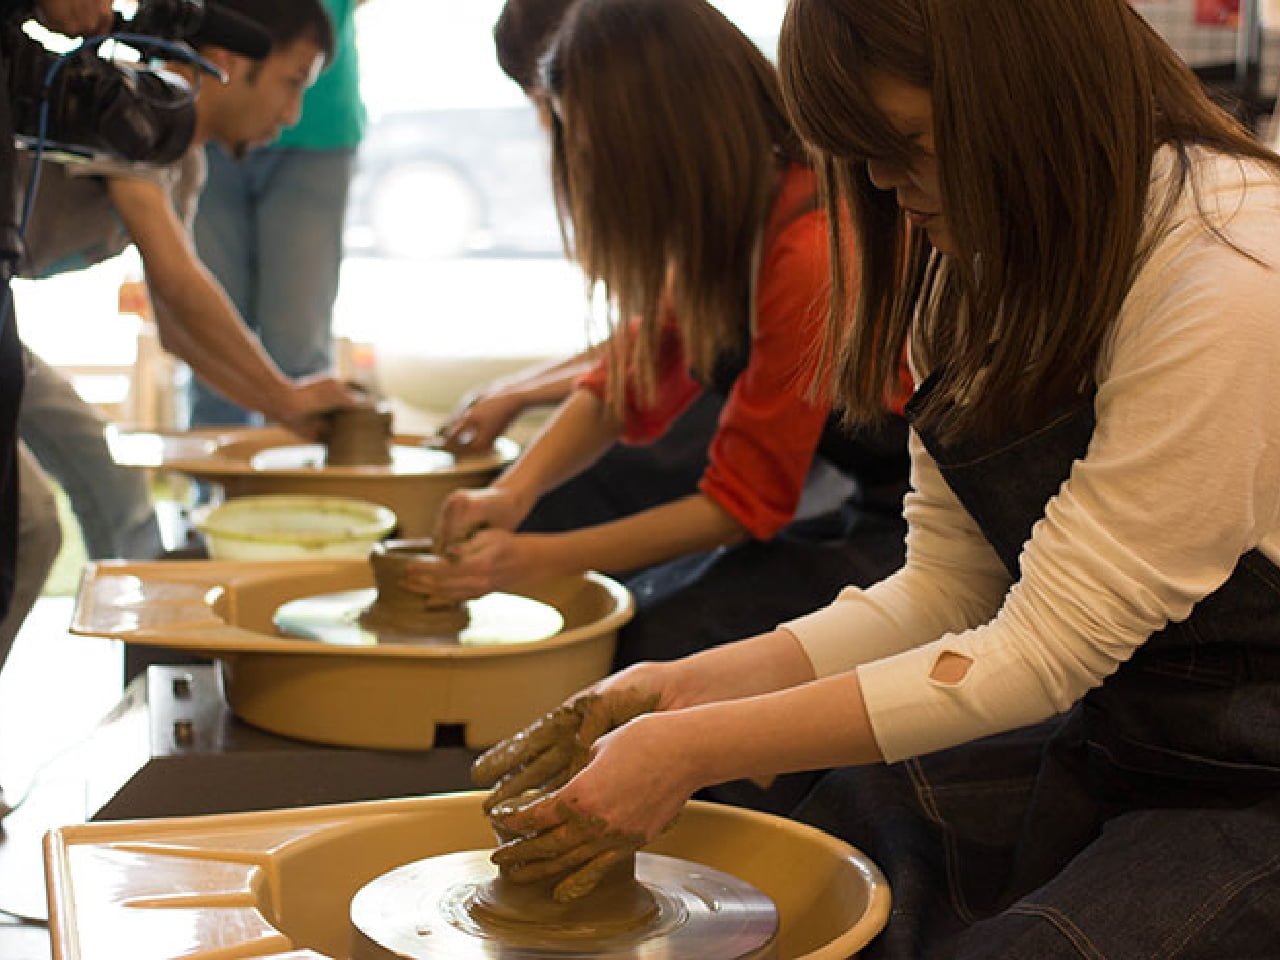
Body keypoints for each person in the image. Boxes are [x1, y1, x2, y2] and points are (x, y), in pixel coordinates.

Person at [473, 1, 1280, 956]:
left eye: (905, 143)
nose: (887, 186)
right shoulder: (979, 265)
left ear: (1026, 87)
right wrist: (682, 692)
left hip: (1253, 774)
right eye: (859, 156)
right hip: (1125, 734)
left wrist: (694, 746)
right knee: (828, 825)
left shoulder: (1229, 271)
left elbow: (1042, 649)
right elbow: (948, 588)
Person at [406, 0, 911, 684]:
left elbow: (741, 505)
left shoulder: (815, 249)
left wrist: (542, 558)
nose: (587, 177)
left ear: (662, 141)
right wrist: (512, 496)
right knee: (646, 606)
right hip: (868, 508)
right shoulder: (739, 219)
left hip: (933, 534)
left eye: (588, 151)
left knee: (662, 635)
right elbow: (630, 374)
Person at [3, 0, 360, 677]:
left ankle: (154, 676)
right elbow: (176, 279)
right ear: (224, 63)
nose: (291, 115)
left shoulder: (184, 164)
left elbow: (178, 330)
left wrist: (283, 400)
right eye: (292, 84)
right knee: (29, 528)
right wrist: (283, 398)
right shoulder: (133, 115)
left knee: (100, 472)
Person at [190, 0, 365, 428]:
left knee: (297, 345)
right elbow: (180, 309)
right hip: (208, 103)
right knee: (212, 333)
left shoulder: (299, 103)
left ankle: (300, 485)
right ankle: (217, 489)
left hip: (318, 133)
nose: (289, 113)